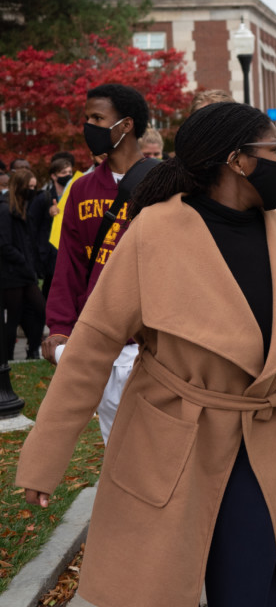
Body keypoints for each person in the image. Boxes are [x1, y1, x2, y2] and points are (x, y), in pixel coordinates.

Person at [16, 101, 276, 607]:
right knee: (159, 589)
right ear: (237, 161)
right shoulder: (155, 232)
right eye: (274, 149)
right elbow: (93, 346)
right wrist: (44, 459)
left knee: (252, 592)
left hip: (258, 439)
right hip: (171, 438)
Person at [41, 83, 154, 442]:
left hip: (155, 344)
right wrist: (59, 327)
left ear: (125, 126)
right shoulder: (82, 189)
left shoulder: (166, 183)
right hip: (102, 343)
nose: (89, 126)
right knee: (118, 451)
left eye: (97, 118)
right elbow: (69, 267)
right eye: (87, 117)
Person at [1, 168, 46, 360]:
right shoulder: (5, 210)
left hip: (25, 272)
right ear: (20, 187)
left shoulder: (23, 208)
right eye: (29, 187)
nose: (32, 191)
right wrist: (25, 263)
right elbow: (5, 244)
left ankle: (33, 349)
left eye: (34, 187)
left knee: (40, 310)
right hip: (12, 274)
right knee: (14, 317)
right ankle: (8, 357)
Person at [28, 155, 75, 296]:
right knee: (49, 289)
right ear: (54, 176)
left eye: (70, 173)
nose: (68, 175)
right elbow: (32, 225)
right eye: (64, 173)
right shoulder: (44, 197)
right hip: (49, 252)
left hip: (67, 248)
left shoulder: (74, 194)